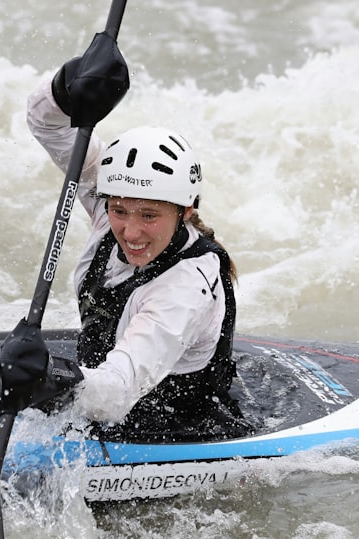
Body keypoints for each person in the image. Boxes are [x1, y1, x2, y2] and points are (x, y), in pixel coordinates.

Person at [15, 34, 251, 441]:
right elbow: (45, 123)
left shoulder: (184, 289)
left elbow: (115, 393)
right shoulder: (109, 205)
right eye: (119, 210)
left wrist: (45, 382)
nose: (130, 231)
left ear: (186, 211)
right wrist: (69, 83)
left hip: (169, 429)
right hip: (100, 388)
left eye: (149, 216)